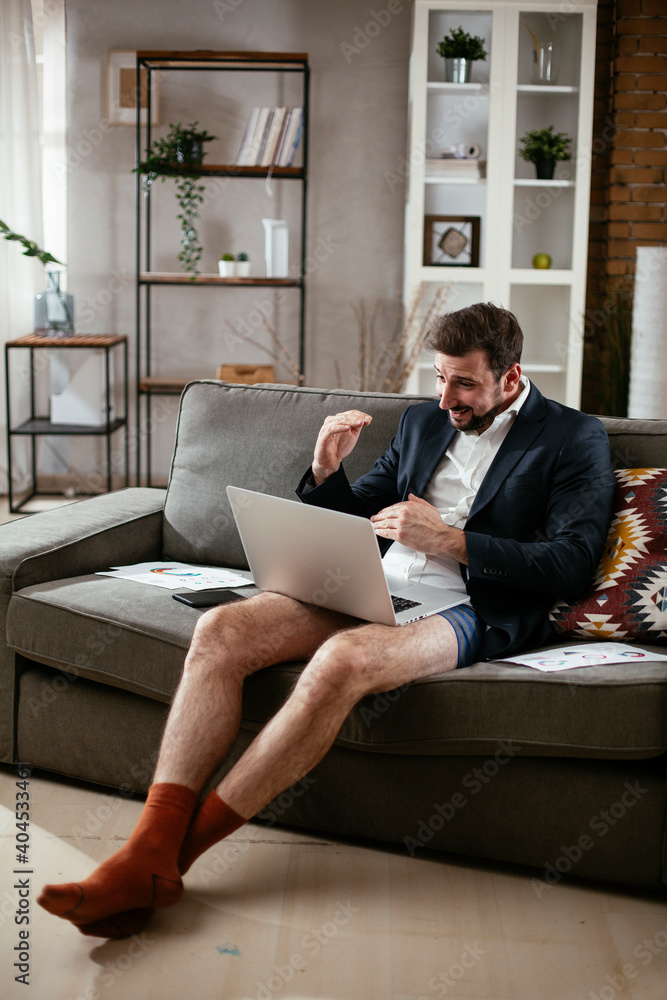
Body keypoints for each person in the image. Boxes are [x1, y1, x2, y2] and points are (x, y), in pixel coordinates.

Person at [37, 302, 616, 939]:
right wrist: (325, 472)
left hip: (475, 608)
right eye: (439, 378)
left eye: (465, 383)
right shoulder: (423, 423)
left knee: (341, 661)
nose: (446, 397)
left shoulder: (571, 436)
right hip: (376, 584)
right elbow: (361, 516)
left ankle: (160, 863)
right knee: (219, 630)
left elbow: (570, 563)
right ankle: (148, 851)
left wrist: (452, 542)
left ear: (511, 378)